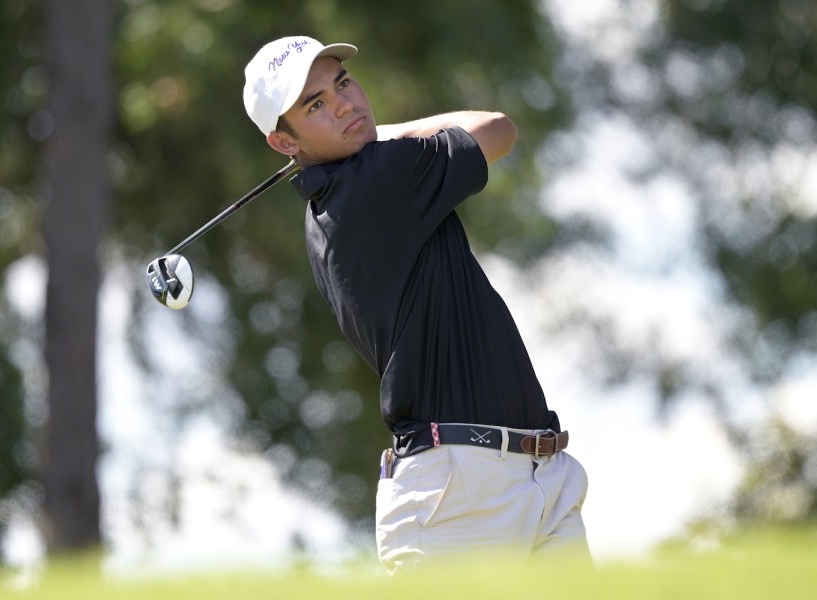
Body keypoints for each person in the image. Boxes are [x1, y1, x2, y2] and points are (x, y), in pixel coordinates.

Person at [243, 35, 590, 573]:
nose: (345, 105)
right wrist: (382, 135)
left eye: (342, 84)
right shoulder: (375, 182)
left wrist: (369, 138)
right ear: (284, 143)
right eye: (315, 105)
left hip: (530, 472)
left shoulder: (342, 198)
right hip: (460, 493)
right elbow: (498, 128)